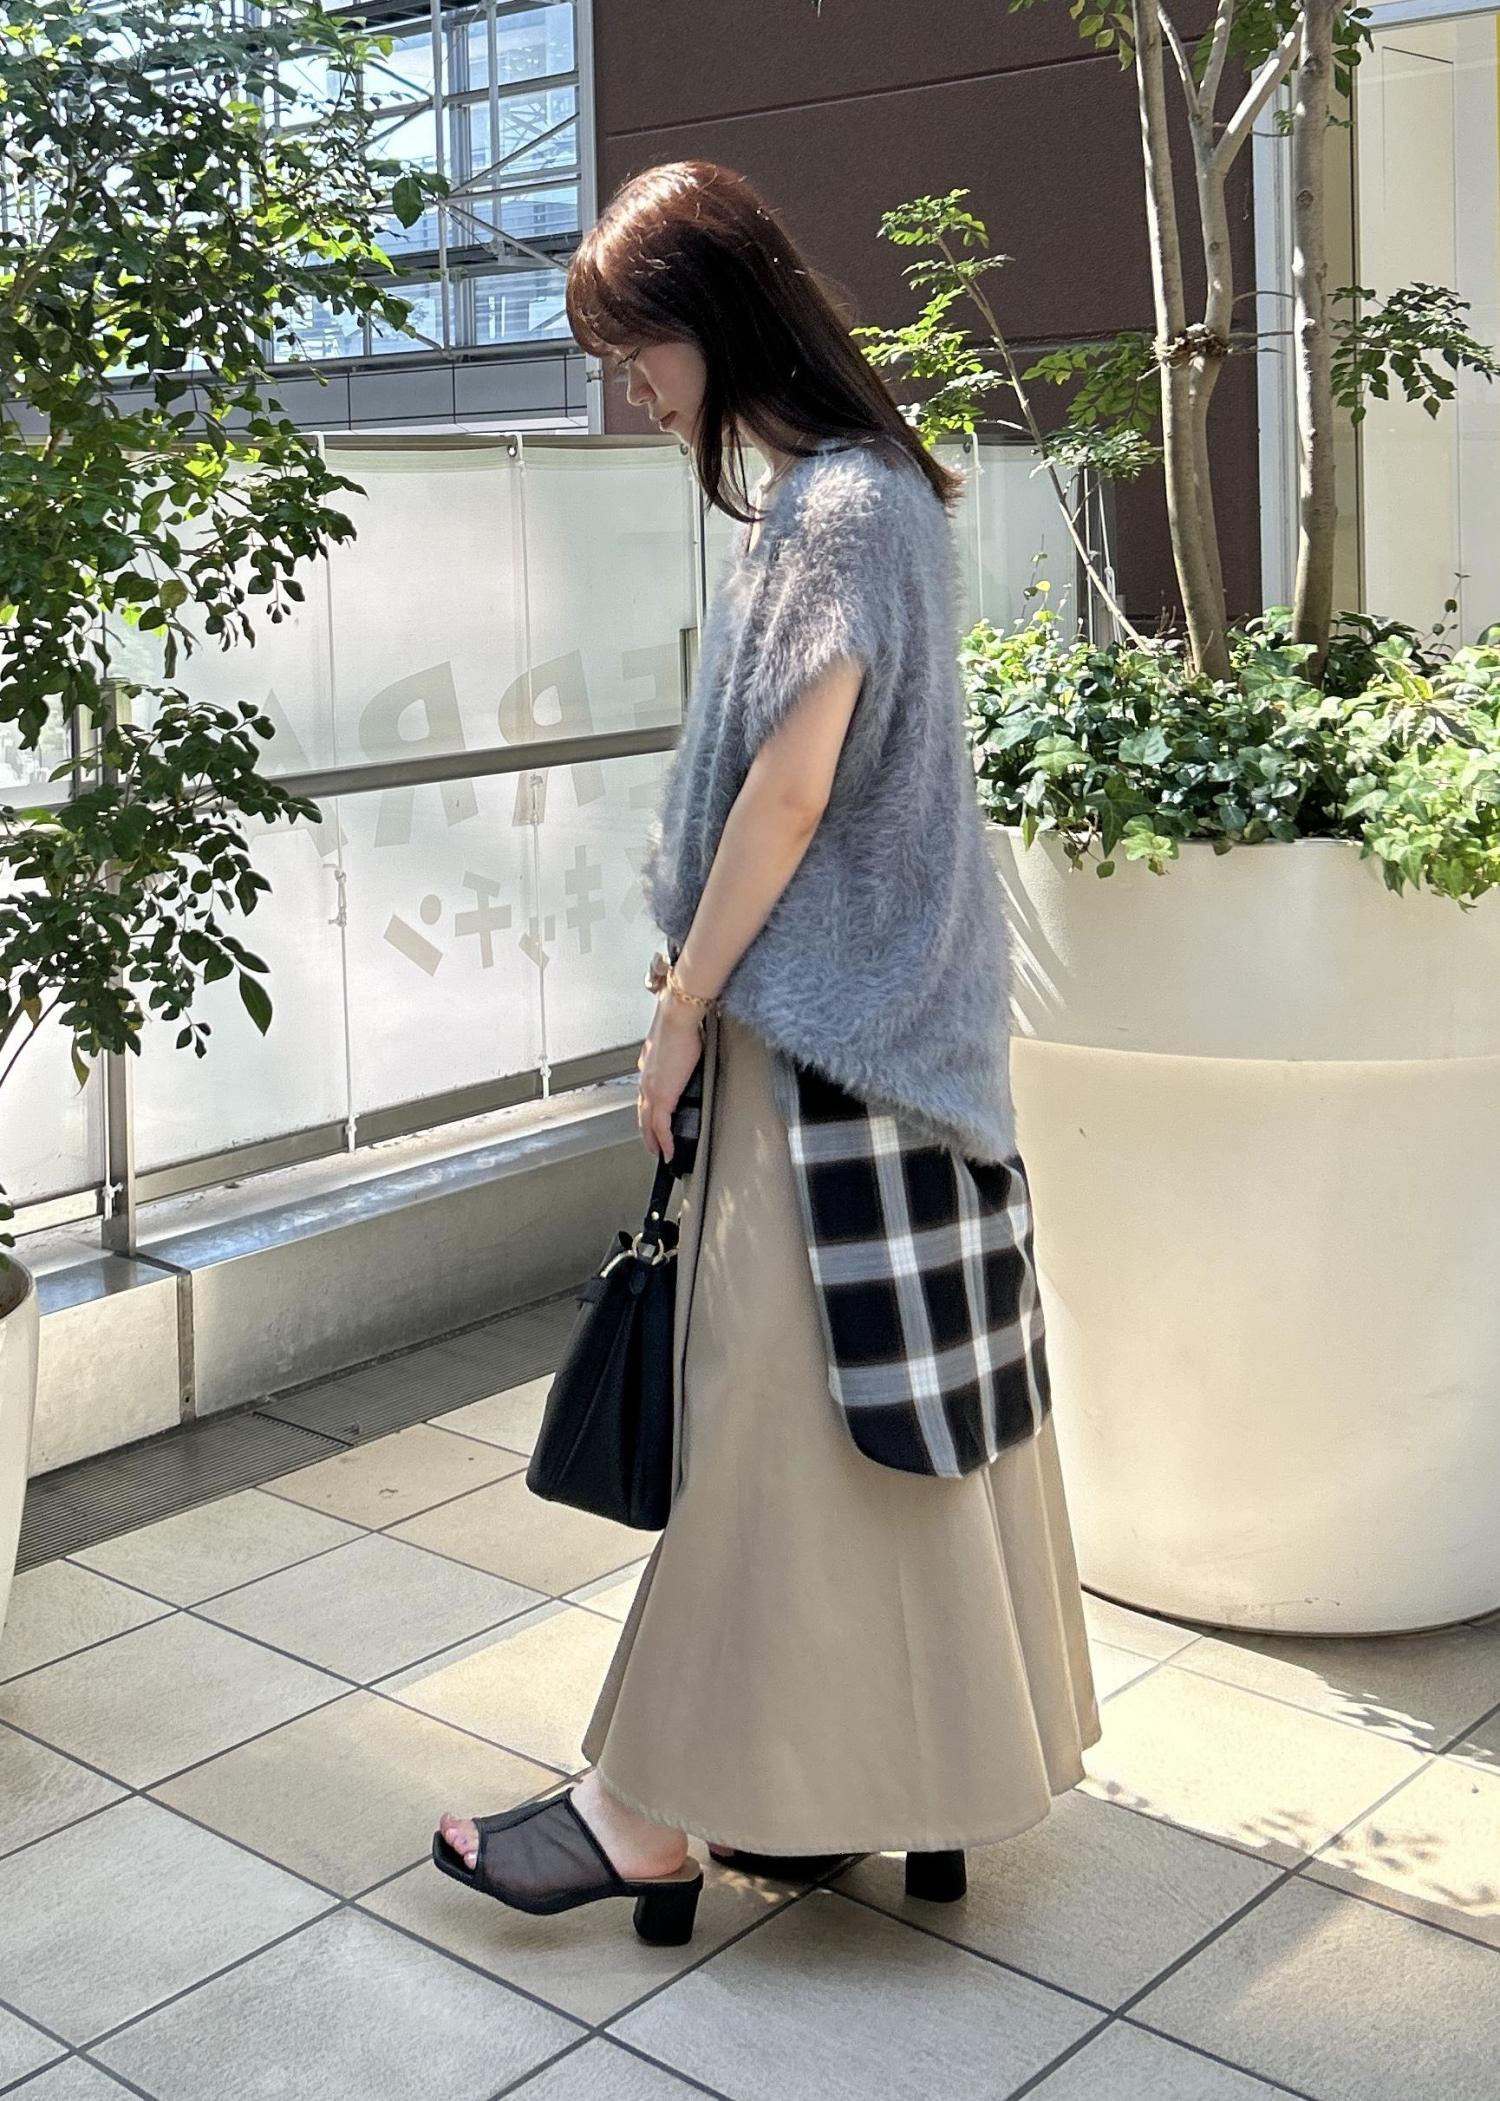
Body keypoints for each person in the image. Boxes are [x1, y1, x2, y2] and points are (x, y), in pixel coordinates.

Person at [433, 158, 1101, 1945]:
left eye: (633, 350)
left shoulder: (832, 513)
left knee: (771, 1436)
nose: (628, 391)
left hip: (822, 1054)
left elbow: (790, 793)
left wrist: (678, 1019)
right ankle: (897, 1787)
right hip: (893, 1040)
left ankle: (644, 1815)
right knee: (883, 1433)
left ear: (713, 318)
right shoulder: (876, 493)